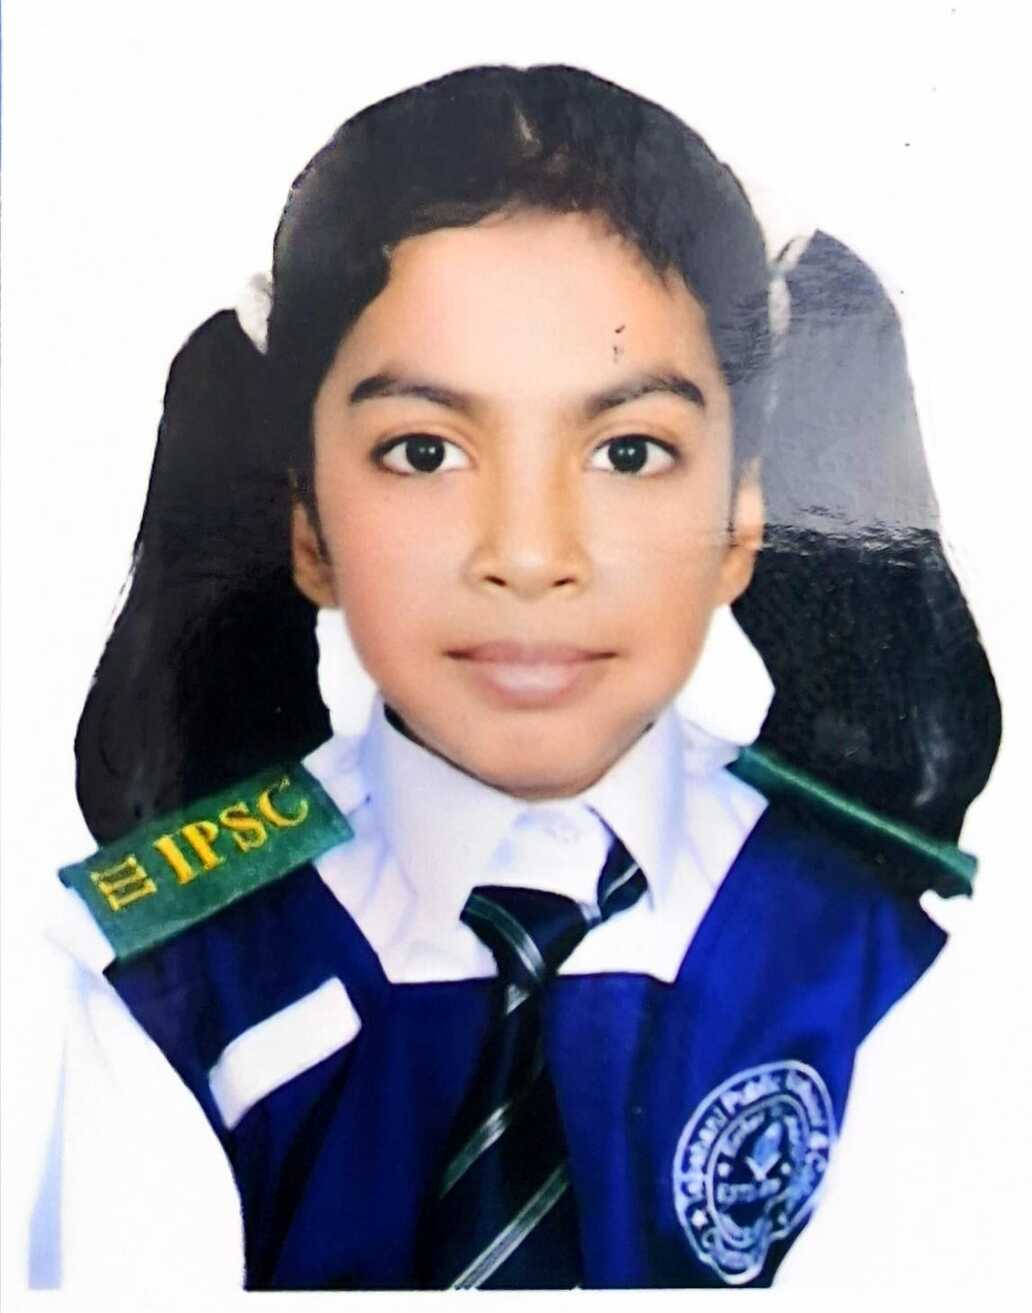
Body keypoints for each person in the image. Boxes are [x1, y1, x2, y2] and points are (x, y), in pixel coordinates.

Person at [37, 63, 1000, 1290]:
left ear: (744, 517)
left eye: (630, 451)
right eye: (424, 451)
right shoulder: (169, 982)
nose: (531, 553)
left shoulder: (875, 965)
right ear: (308, 522)